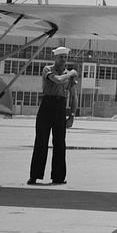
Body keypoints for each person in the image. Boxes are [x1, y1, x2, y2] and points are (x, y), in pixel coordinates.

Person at [28, 46, 77, 185]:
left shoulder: (68, 74)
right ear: (55, 58)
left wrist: (72, 115)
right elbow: (59, 80)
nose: (63, 60)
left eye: (65, 57)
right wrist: (72, 73)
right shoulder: (48, 70)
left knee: (60, 143)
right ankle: (34, 176)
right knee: (41, 142)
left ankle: (58, 177)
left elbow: (74, 97)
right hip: (46, 107)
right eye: (61, 57)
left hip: (60, 108)